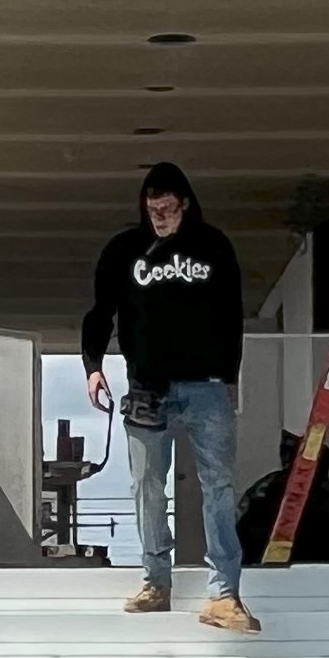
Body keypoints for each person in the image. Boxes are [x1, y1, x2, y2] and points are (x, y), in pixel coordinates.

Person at [81, 162, 259, 630]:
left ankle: (224, 593)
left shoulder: (214, 246)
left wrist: (231, 375)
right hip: (146, 387)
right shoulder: (123, 250)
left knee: (217, 485)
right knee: (146, 485)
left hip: (206, 385)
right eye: (152, 210)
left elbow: (231, 315)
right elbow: (101, 311)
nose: (160, 218)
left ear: (186, 205)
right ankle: (156, 580)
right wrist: (93, 366)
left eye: (168, 210)